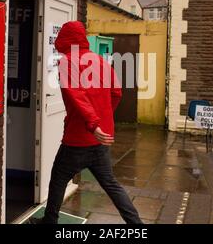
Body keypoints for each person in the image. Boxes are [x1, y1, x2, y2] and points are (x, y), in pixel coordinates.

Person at [28, 21, 142, 224]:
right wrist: (102, 121)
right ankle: (137, 225)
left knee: (58, 178)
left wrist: (93, 123)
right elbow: (116, 93)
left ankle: (50, 221)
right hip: (100, 140)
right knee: (112, 185)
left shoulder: (67, 62)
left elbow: (76, 94)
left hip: (78, 139)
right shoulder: (100, 61)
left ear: (65, 39)